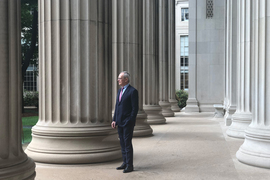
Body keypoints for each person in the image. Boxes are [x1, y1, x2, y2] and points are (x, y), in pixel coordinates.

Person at [111, 71, 138, 173]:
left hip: (127, 123)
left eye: (120, 78)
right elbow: (117, 106)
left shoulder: (133, 91)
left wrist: (129, 121)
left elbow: (135, 109)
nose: (118, 80)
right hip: (119, 122)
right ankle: (125, 163)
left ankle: (130, 165)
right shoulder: (120, 91)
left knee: (127, 143)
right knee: (122, 143)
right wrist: (114, 120)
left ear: (126, 79)